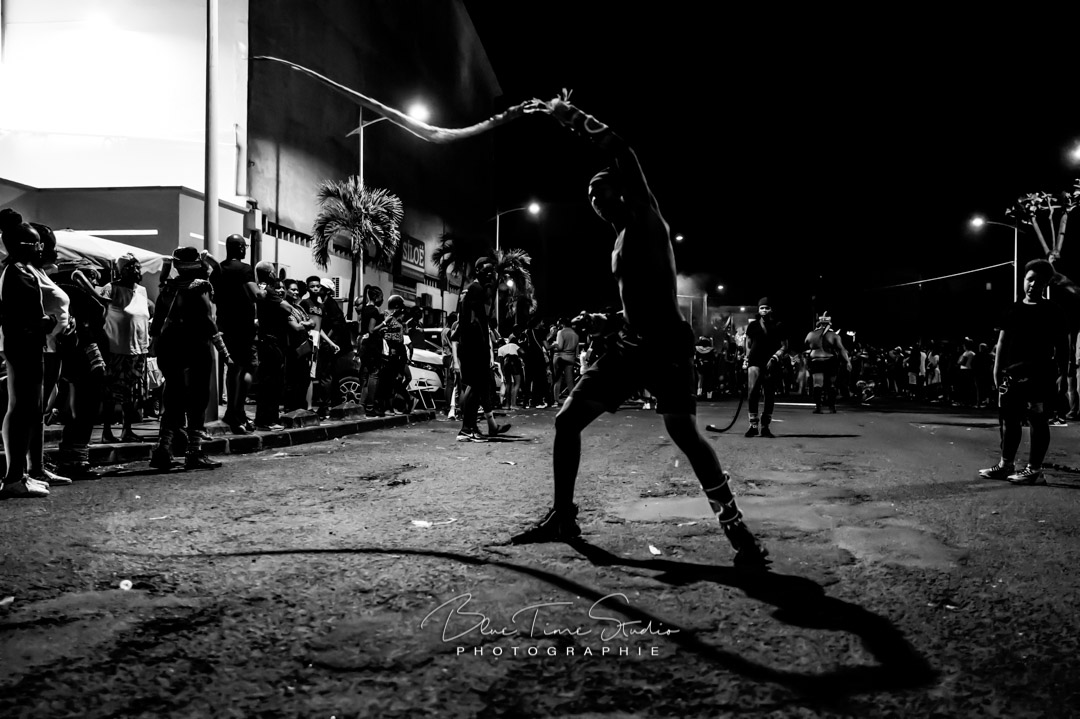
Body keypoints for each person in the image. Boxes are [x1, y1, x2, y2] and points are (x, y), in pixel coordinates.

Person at [510, 92, 768, 566]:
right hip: (630, 346)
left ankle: (735, 528)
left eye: (600, 188)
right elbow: (638, 301)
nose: (594, 198)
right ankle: (563, 516)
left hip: (667, 345)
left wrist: (572, 118)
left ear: (622, 191)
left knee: (684, 434)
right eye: (588, 195)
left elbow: (622, 151)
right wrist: (606, 319)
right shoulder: (618, 241)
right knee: (567, 420)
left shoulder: (648, 217)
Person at [979, 259, 1069, 485]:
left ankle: (1034, 470)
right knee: (1010, 421)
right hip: (1012, 373)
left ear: (1047, 283)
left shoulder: (1053, 310)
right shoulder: (1013, 309)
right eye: (1029, 279)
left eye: (1039, 281)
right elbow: (1002, 341)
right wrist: (997, 370)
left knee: (1037, 419)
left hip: (1041, 374)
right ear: (1023, 279)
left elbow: (1063, 346)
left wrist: (1063, 375)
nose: (1032, 285)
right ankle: (1005, 464)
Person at [150, 246, 233, 470]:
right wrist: (224, 351)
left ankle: (163, 449)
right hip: (195, 345)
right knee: (198, 399)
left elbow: (156, 324)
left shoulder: (167, 288)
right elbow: (208, 319)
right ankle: (194, 451)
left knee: (173, 398)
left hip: (169, 346)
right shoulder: (200, 287)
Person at [0, 209, 54, 498]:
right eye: (36, 243)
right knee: (22, 409)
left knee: (29, 409)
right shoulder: (16, 273)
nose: (40, 247)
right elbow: (17, 316)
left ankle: (20, 474)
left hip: (27, 345)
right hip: (22, 346)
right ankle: (14, 477)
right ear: (24, 246)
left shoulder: (19, 270)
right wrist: (45, 322)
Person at [453, 257, 511, 441]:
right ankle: (466, 429)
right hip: (474, 347)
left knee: (476, 387)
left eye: (491, 272)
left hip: (471, 346)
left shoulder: (472, 290)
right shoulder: (476, 289)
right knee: (475, 387)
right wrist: (482, 348)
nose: (489, 275)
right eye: (485, 271)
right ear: (477, 270)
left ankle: (471, 427)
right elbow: (475, 321)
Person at [97, 254, 153, 443]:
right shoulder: (110, 288)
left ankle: (127, 429)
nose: (137, 271)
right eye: (131, 267)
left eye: (138, 267)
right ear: (122, 270)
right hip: (116, 350)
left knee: (132, 393)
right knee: (111, 393)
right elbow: (99, 314)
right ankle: (107, 431)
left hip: (138, 351)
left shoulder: (142, 291)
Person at [212, 234, 260, 434]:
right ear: (240, 248)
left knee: (232, 369)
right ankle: (237, 410)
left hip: (225, 324)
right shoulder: (245, 269)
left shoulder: (218, 270)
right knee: (249, 367)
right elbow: (255, 294)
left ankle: (233, 410)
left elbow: (215, 297)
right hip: (244, 325)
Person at [743, 297, 786, 438]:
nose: (764, 310)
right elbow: (748, 343)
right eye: (762, 308)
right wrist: (746, 358)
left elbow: (785, 345)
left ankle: (765, 426)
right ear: (758, 309)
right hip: (754, 361)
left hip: (771, 362)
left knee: (769, 393)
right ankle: (753, 425)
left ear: (771, 309)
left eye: (767, 307)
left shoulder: (779, 325)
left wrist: (775, 357)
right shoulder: (753, 325)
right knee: (753, 392)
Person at [804, 312, 851, 413]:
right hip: (830, 361)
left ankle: (818, 407)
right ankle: (832, 407)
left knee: (817, 384)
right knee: (831, 385)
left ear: (819, 323)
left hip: (816, 361)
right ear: (830, 323)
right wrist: (848, 362)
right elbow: (841, 349)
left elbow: (806, 343)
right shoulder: (834, 336)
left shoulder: (811, 334)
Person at [282, 279, 317, 412]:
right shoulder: (285, 307)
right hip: (292, 348)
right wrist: (305, 323)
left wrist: (305, 323)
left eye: (297, 290)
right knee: (292, 380)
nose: (296, 292)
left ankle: (300, 406)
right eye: (293, 289)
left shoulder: (299, 307)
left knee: (304, 379)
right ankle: (290, 408)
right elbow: (295, 327)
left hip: (304, 348)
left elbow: (313, 322)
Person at [550, 317, 579, 404]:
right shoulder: (575, 334)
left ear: (562, 324)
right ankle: (572, 399)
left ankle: (556, 400)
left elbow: (560, 346)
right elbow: (577, 352)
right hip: (571, 358)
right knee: (570, 380)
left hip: (560, 357)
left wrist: (554, 344)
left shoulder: (561, 332)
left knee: (557, 379)